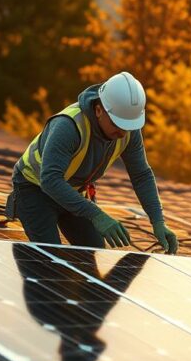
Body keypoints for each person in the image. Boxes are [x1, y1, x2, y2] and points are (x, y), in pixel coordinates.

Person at [11, 71, 178, 254]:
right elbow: (50, 180)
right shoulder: (69, 126)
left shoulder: (129, 130)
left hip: (72, 191)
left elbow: (141, 175)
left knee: (93, 251)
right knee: (50, 255)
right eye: (117, 124)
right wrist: (96, 215)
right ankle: (21, 205)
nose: (122, 133)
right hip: (34, 188)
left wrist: (158, 221)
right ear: (99, 110)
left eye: (128, 126)